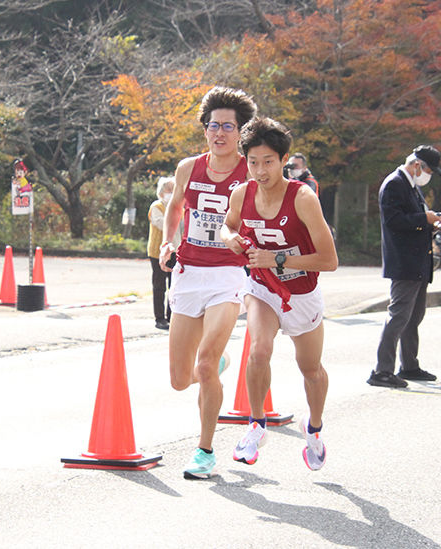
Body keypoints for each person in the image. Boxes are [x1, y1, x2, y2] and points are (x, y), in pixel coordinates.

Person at [221, 117, 338, 471]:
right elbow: (228, 225)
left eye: (268, 161)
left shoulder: (302, 198)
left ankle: (313, 428)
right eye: (253, 162)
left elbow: (330, 260)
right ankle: (257, 425)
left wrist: (279, 258)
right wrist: (231, 240)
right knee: (258, 351)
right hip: (262, 288)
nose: (260, 170)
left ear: (283, 159)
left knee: (311, 369)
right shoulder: (242, 193)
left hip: (302, 293)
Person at [159, 86, 257, 479]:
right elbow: (176, 207)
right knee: (181, 379)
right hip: (188, 273)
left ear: (240, 132)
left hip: (228, 276)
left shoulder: (250, 172)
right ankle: (217, 362)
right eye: (213, 125)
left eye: (228, 127)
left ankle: (204, 452)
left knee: (202, 366)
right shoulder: (188, 168)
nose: (219, 133)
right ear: (205, 129)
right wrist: (169, 240)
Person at [367, 145, 441, 389]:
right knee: (399, 315)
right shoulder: (395, 183)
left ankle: (409, 365)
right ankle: (382, 370)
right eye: (429, 170)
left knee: (414, 315)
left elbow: (415, 219)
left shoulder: (410, 186)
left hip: (417, 259)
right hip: (404, 260)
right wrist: (425, 219)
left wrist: (434, 224)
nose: (428, 176)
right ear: (416, 165)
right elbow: (394, 221)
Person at [147, 176, 181, 330]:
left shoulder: (181, 207)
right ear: (161, 192)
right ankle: (159, 318)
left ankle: (171, 316)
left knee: (174, 285)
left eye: (174, 190)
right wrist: (173, 214)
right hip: (158, 252)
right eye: (169, 190)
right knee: (159, 285)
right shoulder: (157, 207)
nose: (172, 193)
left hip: (177, 251)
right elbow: (160, 224)